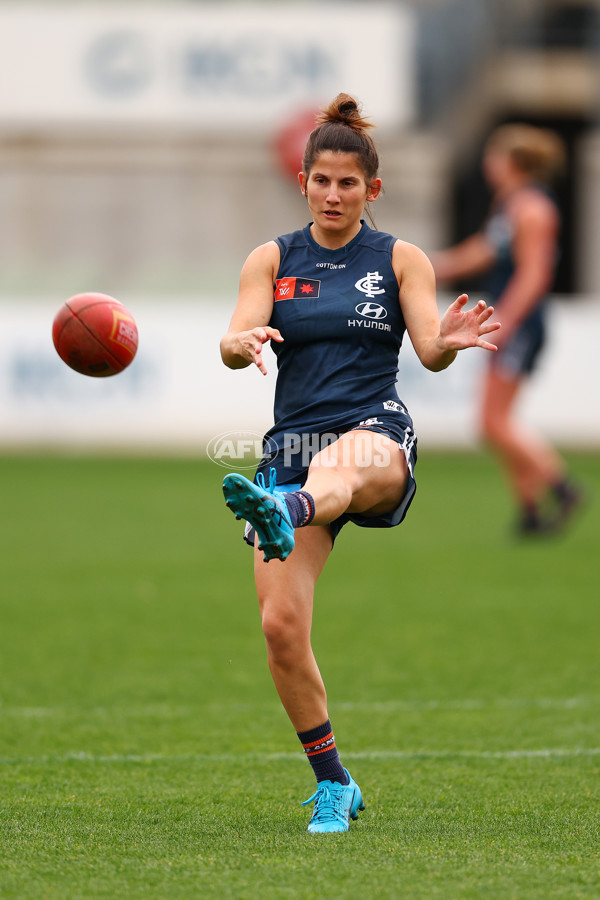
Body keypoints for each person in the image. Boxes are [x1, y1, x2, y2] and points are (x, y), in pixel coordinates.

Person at [219, 93, 500, 834]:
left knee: (336, 469)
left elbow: (430, 352)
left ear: (372, 189)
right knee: (281, 628)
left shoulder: (400, 258)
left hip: (375, 430)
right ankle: (333, 781)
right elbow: (232, 337)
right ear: (303, 181)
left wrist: (450, 340)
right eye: (322, 181)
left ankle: (286, 510)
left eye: (349, 183)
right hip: (292, 446)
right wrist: (243, 344)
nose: (334, 194)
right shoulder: (272, 257)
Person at [432, 123, 582, 535]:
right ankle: (530, 511)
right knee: (499, 419)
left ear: (514, 162)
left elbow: (533, 276)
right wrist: (429, 266)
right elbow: (482, 251)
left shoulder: (533, 208)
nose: (488, 164)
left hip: (519, 322)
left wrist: (507, 325)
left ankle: (562, 485)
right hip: (510, 320)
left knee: (491, 421)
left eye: (494, 156)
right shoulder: (510, 204)